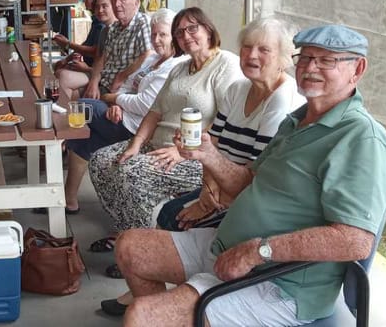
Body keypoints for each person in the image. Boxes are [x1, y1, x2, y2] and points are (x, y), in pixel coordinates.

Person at [114, 24, 386, 326]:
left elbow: (355, 240)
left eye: (327, 61)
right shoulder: (296, 122)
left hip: (281, 282)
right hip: (229, 246)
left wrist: (260, 250)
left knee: (142, 316)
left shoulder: (360, 138)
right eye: (307, 58)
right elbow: (245, 185)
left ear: (357, 69)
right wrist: (209, 155)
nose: (311, 68)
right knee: (131, 247)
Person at [99, 16, 305, 316]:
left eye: (264, 50)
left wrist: (213, 200)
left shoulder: (284, 102)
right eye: (247, 47)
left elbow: (254, 180)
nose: (251, 55)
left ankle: (182, 300)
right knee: (157, 219)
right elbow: (214, 144)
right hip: (223, 189)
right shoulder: (238, 89)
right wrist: (207, 192)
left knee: (172, 214)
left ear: (284, 59)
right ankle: (165, 300)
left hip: (249, 207)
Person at [87, 7, 242, 274]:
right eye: (180, 32)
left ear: (208, 29)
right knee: (101, 161)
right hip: (155, 144)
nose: (186, 36)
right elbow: (155, 111)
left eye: (193, 28)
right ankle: (126, 231)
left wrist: (183, 152)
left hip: (195, 157)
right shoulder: (180, 68)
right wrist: (135, 145)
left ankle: (147, 251)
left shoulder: (226, 64)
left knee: (132, 173)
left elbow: (225, 121)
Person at [59, 8, 184, 214]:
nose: (157, 39)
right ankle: (69, 199)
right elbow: (126, 85)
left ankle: (57, 142)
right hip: (121, 116)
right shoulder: (152, 60)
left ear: (174, 37)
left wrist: (112, 99)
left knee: (83, 106)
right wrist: (115, 104)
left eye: (163, 34)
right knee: (84, 139)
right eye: (153, 34)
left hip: (136, 127)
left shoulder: (173, 66)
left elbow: (145, 104)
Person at [83, 0, 152, 100]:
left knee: (79, 107)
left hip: (121, 90)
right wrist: (93, 83)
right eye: (114, 0)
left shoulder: (143, 23)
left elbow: (148, 54)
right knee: (66, 87)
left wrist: (121, 77)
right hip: (103, 82)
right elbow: (102, 59)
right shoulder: (114, 27)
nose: (117, 4)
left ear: (136, 3)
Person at [56, 0, 117, 100]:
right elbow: (98, 59)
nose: (100, 10)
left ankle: (65, 113)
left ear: (114, 7)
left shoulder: (116, 30)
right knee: (61, 76)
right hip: (95, 74)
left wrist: (87, 69)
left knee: (63, 77)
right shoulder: (104, 30)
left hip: (106, 80)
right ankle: (66, 113)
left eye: (104, 6)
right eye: (97, 7)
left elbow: (99, 58)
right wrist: (67, 59)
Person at [52, 0, 111, 66]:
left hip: (93, 71)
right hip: (89, 68)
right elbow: (86, 44)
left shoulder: (103, 23)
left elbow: (94, 52)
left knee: (62, 74)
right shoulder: (96, 19)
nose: (83, 0)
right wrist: (66, 60)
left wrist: (68, 44)